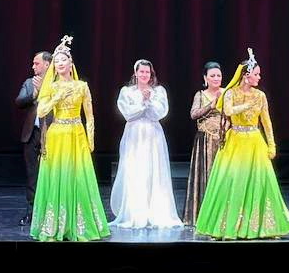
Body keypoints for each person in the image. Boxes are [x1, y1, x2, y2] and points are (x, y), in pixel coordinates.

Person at [194, 48, 289, 240]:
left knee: (260, 182)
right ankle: (226, 226)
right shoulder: (230, 93)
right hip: (235, 141)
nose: (259, 77)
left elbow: (266, 122)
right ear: (246, 75)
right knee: (231, 182)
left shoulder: (260, 95)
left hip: (255, 142)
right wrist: (246, 105)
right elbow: (228, 110)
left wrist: (272, 145)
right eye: (256, 74)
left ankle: (264, 227)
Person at [29, 36, 110, 241]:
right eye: (56, 61)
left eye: (63, 60)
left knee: (78, 177)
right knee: (58, 176)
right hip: (57, 134)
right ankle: (55, 225)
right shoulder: (51, 87)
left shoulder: (82, 86)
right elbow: (41, 111)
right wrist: (56, 98)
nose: (60, 63)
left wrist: (90, 140)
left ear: (70, 62)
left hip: (76, 134)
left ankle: (79, 225)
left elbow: (89, 115)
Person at [110, 59, 181, 228]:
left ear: (151, 74)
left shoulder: (159, 92)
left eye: (147, 72)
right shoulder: (127, 92)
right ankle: (135, 212)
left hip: (153, 135)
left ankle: (155, 211)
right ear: (135, 73)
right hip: (134, 135)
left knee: (153, 169)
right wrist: (142, 103)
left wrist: (149, 101)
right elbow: (128, 114)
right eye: (141, 71)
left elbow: (159, 113)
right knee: (134, 169)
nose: (144, 75)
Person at [182, 61, 225, 225]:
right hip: (205, 141)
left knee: (222, 176)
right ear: (205, 78)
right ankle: (204, 215)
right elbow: (193, 114)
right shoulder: (200, 95)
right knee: (206, 176)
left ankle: (222, 215)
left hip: (224, 140)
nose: (216, 78)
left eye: (218, 75)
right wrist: (211, 105)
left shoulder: (227, 93)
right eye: (212, 76)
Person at [14, 50, 51, 226]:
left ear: (47, 64)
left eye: (37, 63)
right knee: (32, 175)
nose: (33, 66)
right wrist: (34, 93)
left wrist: (46, 88)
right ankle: (32, 212)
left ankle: (49, 211)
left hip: (51, 134)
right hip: (32, 134)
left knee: (50, 173)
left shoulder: (58, 83)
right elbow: (19, 101)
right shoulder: (30, 82)